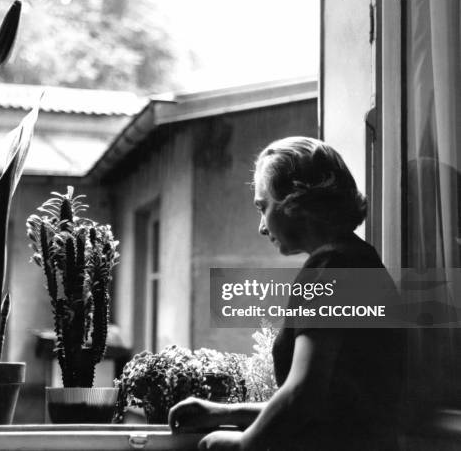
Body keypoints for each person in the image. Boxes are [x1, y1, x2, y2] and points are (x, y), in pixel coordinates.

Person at [169, 137, 406, 450]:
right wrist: (224, 413)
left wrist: (244, 445)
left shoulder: (332, 265)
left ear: (297, 202)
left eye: (263, 207)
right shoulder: (357, 258)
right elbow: (330, 407)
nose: (262, 227)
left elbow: (303, 393)